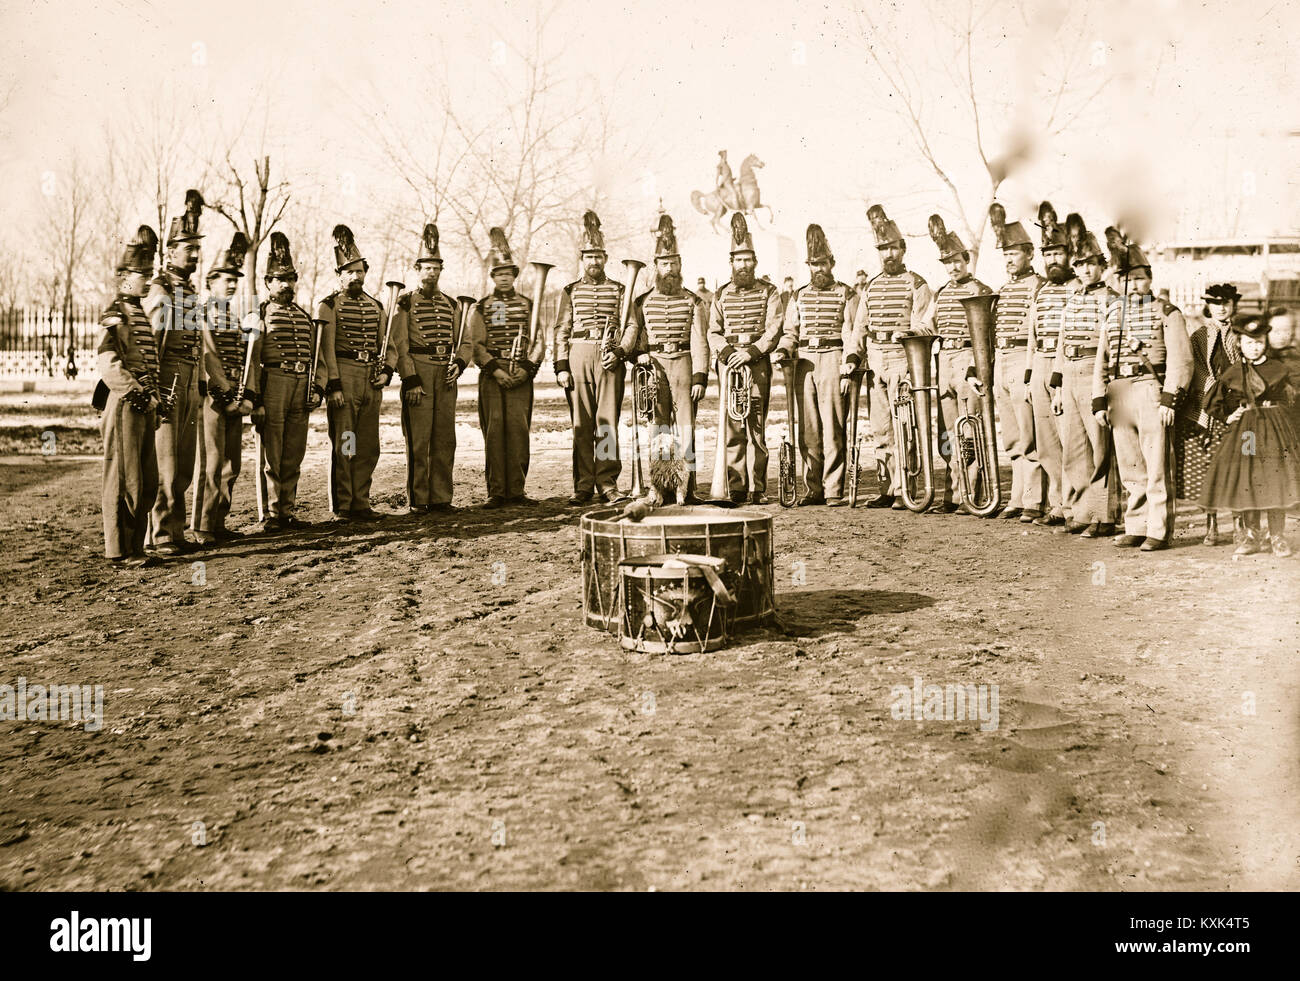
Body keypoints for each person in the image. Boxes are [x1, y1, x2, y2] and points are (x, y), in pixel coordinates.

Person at [1092, 243, 1192, 551]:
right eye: (1125, 278)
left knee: (1157, 464)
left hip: (1150, 388)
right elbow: (1102, 356)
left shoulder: (1167, 311)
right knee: (1130, 465)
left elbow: (1182, 358)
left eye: (1138, 278)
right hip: (1119, 391)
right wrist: (1099, 399)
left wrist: (1170, 397)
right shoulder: (1113, 313)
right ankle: (1135, 525)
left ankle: (1159, 530)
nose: (1132, 285)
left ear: (1149, 278)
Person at [622, 214, 709, 500]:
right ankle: (657, 487)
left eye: (674, 263)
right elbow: (637, 336)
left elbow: (699, 341)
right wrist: (638, 356)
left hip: (683, 364)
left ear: (680, 265)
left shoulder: (693, 300)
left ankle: (686, 488)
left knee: (685, 428)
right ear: (656, 266)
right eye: (664, 263)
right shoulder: (643, 301)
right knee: (658, 428)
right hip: (655, 367)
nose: (669, 269)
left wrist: (700, 377)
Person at [1198, 314, 1300, 556]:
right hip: (1246, 434)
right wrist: (1227, 416)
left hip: (1275, 431)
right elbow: (1212, 402)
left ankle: (1276, 536)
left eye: (1258, 342)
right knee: (1248, 479)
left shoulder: (1280, 369)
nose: (1254, 347)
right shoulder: (1234, 372)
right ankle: (1251, 536)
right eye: (1248, 343)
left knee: (1276, 479)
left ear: (1265, 342)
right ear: (1239, 344)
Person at [852, 204, 933, 508]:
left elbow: (925, 322)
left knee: (904, 425)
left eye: (893, 248)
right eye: (882, 249)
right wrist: (852, 356)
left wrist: (910, 336)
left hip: (902, 358)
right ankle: (886, 487)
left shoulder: (917, 283)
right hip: (876, 360)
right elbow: (860, 326)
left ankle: (905, 489)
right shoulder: (871, 286)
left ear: (903, 248)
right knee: (881, 427)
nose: (888, 254)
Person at [773, 223, 859, 506]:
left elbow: (851, 332)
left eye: (822, 264)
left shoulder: (846, 293)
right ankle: (814, 488)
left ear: (831, 263)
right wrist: (783, 350)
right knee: (808, 429)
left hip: (833, 360)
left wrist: (849, 363)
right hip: (804, 363)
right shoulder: (798, 296)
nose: (818, 269)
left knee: (833, 427)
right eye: (813, 265)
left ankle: (833, 488)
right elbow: (790, 332)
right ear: (807, 266)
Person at [391, 224, 472, 514]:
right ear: (416, 269)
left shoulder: (451, 304)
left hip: (445, 375)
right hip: (419, 373)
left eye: (436, 268)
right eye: (426, 267)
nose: (432, 273)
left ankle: (441, 498)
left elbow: (466, 342)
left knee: (444, 438)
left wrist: (460, 364)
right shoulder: (404, 303)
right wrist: (410, 379)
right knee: (419, 440)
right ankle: (419, 499)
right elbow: (399, 344)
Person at [317, 224, 393, 521]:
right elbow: (325, 350)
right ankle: (344, 505)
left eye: (360, 271)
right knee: (346, 443)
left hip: (370, 382)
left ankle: (362, 502)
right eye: (349, 272)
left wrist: (386, 372)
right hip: (345, 378)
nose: (356, 277)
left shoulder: (376, 306)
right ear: (339, 275)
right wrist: (333, 386)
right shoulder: (329, 306)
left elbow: (388, 345)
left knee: (367, 445)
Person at [1049, 215, 1120, 537]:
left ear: (1101, 265)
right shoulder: (1072, 299)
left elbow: (1112, 350)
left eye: (1092, 263)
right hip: (1071, 374)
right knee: (1074, 448)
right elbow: (1063, 344)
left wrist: (1103, 388)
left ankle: (1103, 515)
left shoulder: (1112, 299)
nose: (1086, 270)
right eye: (1080, 264)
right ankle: (1080, 511)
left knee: (1100, 448)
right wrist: (1058, 386)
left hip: (1095, 373)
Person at [96, 226, 162, 567]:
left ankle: (137, 546)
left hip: (143, 407)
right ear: (123, 276)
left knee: (146, 479)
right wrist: (137, 395)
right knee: (124, 479)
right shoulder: (117, 312)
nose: (148, 281)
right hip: (124, 405)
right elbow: (108, 362)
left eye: (150, 274)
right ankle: (120, 550)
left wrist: (154, 400)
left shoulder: (138, 312)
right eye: (142, 274)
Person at [707, 213, 783, 504]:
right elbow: (713, 331)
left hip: (756, 363)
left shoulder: (769, 291)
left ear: (755, 262)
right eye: (738, 260)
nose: (743, 265)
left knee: (756, 426)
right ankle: (736, 485)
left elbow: (774, 327)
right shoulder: (721, 294)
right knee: (733, 426)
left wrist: (751, 352)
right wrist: (727, 354)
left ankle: (758, 487)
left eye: (748, 259)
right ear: (731, 263)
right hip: (729, 365)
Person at [144, 189, 204, 557]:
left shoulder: (189, 290)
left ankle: (176, 529)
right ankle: (161, 532)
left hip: (189, 378)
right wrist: (154, 389)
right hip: (167, 380)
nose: (195, 255)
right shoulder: (161, 291)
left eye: (196, 248)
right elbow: (152, 344)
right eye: (187, 248)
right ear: (169, 252)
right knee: (165, 460)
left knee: (184, 461)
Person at [554, 210, 627, 505]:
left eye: (598, 256)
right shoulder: (570, 291)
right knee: (582, 424)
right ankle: (583, 484)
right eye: (588, 256)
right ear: (581, 259)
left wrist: (620, 351)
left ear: (606, 258)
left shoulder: (620, 289)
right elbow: (562, 328)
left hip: (609, 358)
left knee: (607, 423)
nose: (593, 261)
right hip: (579, 356)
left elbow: (629, 324)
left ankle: (607, 482)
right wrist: (561, 366)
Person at [248, 232, 320, 531]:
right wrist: (255, 396)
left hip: (300, 384)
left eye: (290, 279)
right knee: (272, 453)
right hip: (273, 383)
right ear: (268, 283)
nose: (286, 285)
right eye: (280, 279)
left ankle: (287, 510)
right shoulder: (260, 313)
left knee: (293, 451)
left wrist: (317, 386)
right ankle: (271, 515)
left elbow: (317, 357)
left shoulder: (304, 316)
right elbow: (251, 359)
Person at [470, 226, 545, 508]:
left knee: (518, 430)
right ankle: (496, 492)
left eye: (508, 274)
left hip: (521, 374)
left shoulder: (528, 305)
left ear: (515, 276)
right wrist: (496, 370)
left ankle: (517, 490)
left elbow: (539, 342)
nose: (504, 278)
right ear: (493, 277)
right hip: (493, 375)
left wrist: (527, 369)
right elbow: (475, 344)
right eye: (499, 274)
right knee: (494, 431)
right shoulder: (482, 307)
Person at [194, 232, 255, 544]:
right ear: (211, 280)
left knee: (233, 463)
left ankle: (218, 522)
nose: (231, 284)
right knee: (213, 462)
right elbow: (209, 359)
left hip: (234, 396)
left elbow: (242, 358)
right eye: (225, 278)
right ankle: (203, 526)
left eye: (234, 279)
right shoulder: (202, 314)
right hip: (215, 399)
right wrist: (227, 396)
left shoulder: (232, 315)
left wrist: (243, 397)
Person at [987, 205, 1046, 522]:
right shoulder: (1005, 288)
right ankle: (1017, 496)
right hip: (1002, 360)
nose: (1009, 259)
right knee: (1011, 434)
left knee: (1029, 433)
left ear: (1029, 253)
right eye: (1005, 254)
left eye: (1015, 253)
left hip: (1024, 358)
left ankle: (1034, 500)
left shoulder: (1038, 284)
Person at [1175, 283, 1241, 545]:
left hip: (1237, 408)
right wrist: (1212, 394)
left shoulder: (1242, 334)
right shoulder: (1200, 336)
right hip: (1207, 409)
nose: (1221, 307)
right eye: (1216, 303)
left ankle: (1240, 524)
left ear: (1233, 304)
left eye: (1226, 302)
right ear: (1208, 306)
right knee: (1207, 469)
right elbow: (1197, 369)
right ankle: (1211, 525)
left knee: (1240, 467)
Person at [1027, 202, 1077, 527]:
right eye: (1047, 255)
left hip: (1066, 368)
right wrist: (1030, 376)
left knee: (1069, 439)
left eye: (1058, 254)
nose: (1053, 260)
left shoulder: (1077, 288)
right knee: (1046, 443)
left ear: (1069, 255)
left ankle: (1075, 508)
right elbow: (1032, 335)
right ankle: (1057, 504)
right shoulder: (1041, 290)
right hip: (1040, 365)